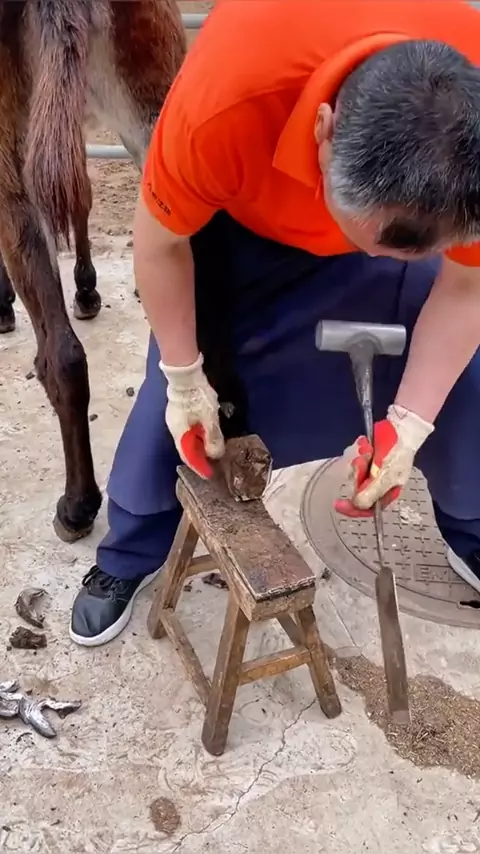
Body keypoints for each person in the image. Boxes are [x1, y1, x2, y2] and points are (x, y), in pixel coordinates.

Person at [70, 0, 480, 646]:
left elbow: (467, 287)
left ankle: (472, 527)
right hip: (244, 219)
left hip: (379, 206)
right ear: (324, 130)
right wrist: (184, 376)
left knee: (464, 380)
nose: (381, 260)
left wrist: (409, 423)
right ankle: (132, 548)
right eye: (376, 242)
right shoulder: (225, 101)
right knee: (187, 401)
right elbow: (160, 243)